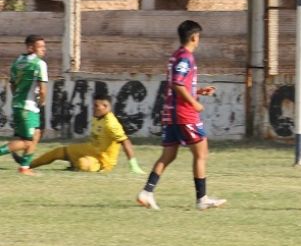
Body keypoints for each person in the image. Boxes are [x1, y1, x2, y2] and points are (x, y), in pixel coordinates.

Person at [136, 20, 226, 211]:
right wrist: (194, 102)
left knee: (168, 155)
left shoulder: (176, 55)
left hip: (171, 114)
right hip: (184, 114)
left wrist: (198, 91)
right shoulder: (186, 57)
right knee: (201, 153)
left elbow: (180, 84)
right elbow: (177, 84)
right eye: (198, 36)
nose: (199, 39)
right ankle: (202, 199)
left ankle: (147, 192)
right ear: (194, 37)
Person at [29, 93, 145, 173]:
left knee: (83, 164)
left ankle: (76, 165)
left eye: (96, 106)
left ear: (105, 106)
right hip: (90, 150)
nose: (93, 108)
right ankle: (27, 165)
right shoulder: (97, 117)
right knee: (58, 152)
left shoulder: (111, 123)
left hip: (103, 161)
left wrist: (134, 165)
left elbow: (125, 141)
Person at [0, 35, 48, 175]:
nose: (44, 49)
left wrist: (19, 97)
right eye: (40, 47)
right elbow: (43, 90)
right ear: (30, 48)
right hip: (29, 107)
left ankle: (24, 167)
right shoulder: (39, 64)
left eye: (44, 47)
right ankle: (22, 166)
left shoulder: (18, 61)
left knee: (36, 134)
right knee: (27, 142)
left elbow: (12, 85)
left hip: (18, 105)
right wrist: (42, 102)